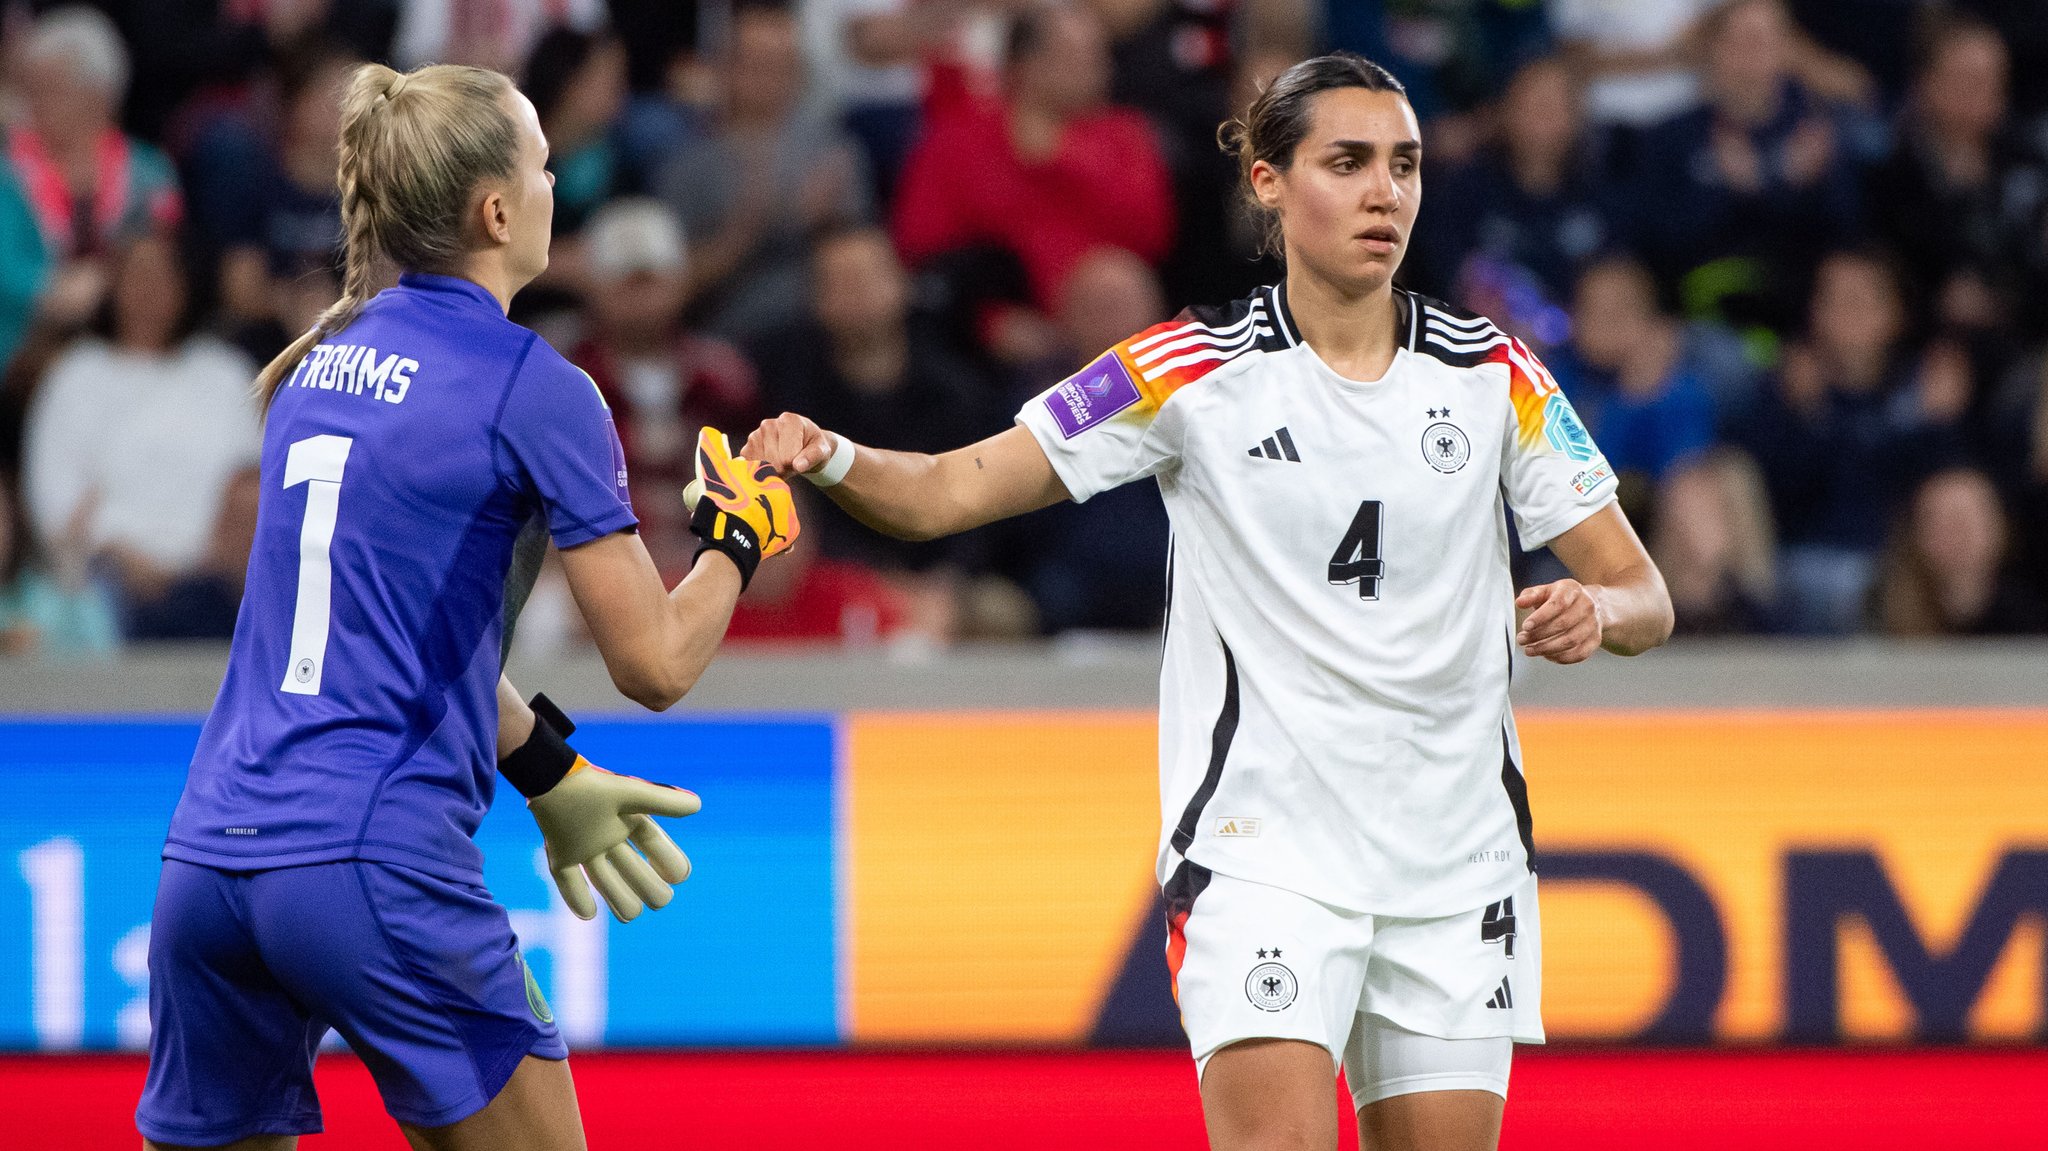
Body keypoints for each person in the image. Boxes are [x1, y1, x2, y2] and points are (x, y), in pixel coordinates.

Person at [747, 53, 1672, 1151]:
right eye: (1348, 162)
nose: (1385, 193)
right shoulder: (1183, 366)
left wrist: (1595, 613)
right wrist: (834, 453)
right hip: (1262, 855)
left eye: (1404, 166)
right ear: (1270, 182)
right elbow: (954, 487)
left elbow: (1643, 590)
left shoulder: (1495, 371)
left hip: (1454, 865)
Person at [136, 62, 800, 1151]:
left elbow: (388, 642)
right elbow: (655, 663)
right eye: (541, 165)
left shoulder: (315, 367)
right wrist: (737, 538)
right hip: (370, 862)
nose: (552, 184)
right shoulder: (536, 385)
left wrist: (544, 767)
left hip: (204, 868)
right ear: (497, 209)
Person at [21, 234, 262, 639]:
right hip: (110, 583)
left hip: (220, 582)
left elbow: (261, 486)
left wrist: (216, 558)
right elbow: (54, 503)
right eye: (137, 276)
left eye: (163, 276)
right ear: (115, 286)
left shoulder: (226, 374)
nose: (149, 290)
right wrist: (115, 551)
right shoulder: (76, 376)